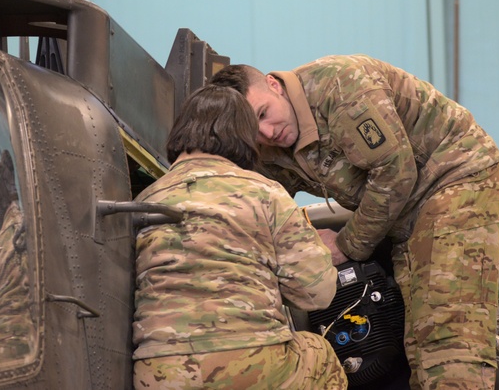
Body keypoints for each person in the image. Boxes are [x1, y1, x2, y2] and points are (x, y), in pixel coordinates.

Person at [210, 56, 499, 390]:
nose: (268, 132)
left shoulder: (340, 87)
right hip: (405, 216)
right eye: (255, 130)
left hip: (457, 181)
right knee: (419, 342)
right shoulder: (272, 144)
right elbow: (262, 207)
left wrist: (345, 245)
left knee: (450, 334)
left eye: (264, 113)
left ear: (273, 84)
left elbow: (395, 173)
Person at [131, 84, 349, 389]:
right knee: (319, 353)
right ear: (245, 137)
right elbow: (317, 292)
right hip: (249, 362)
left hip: (158, 373)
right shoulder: (266, 192)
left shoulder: (145, 198)